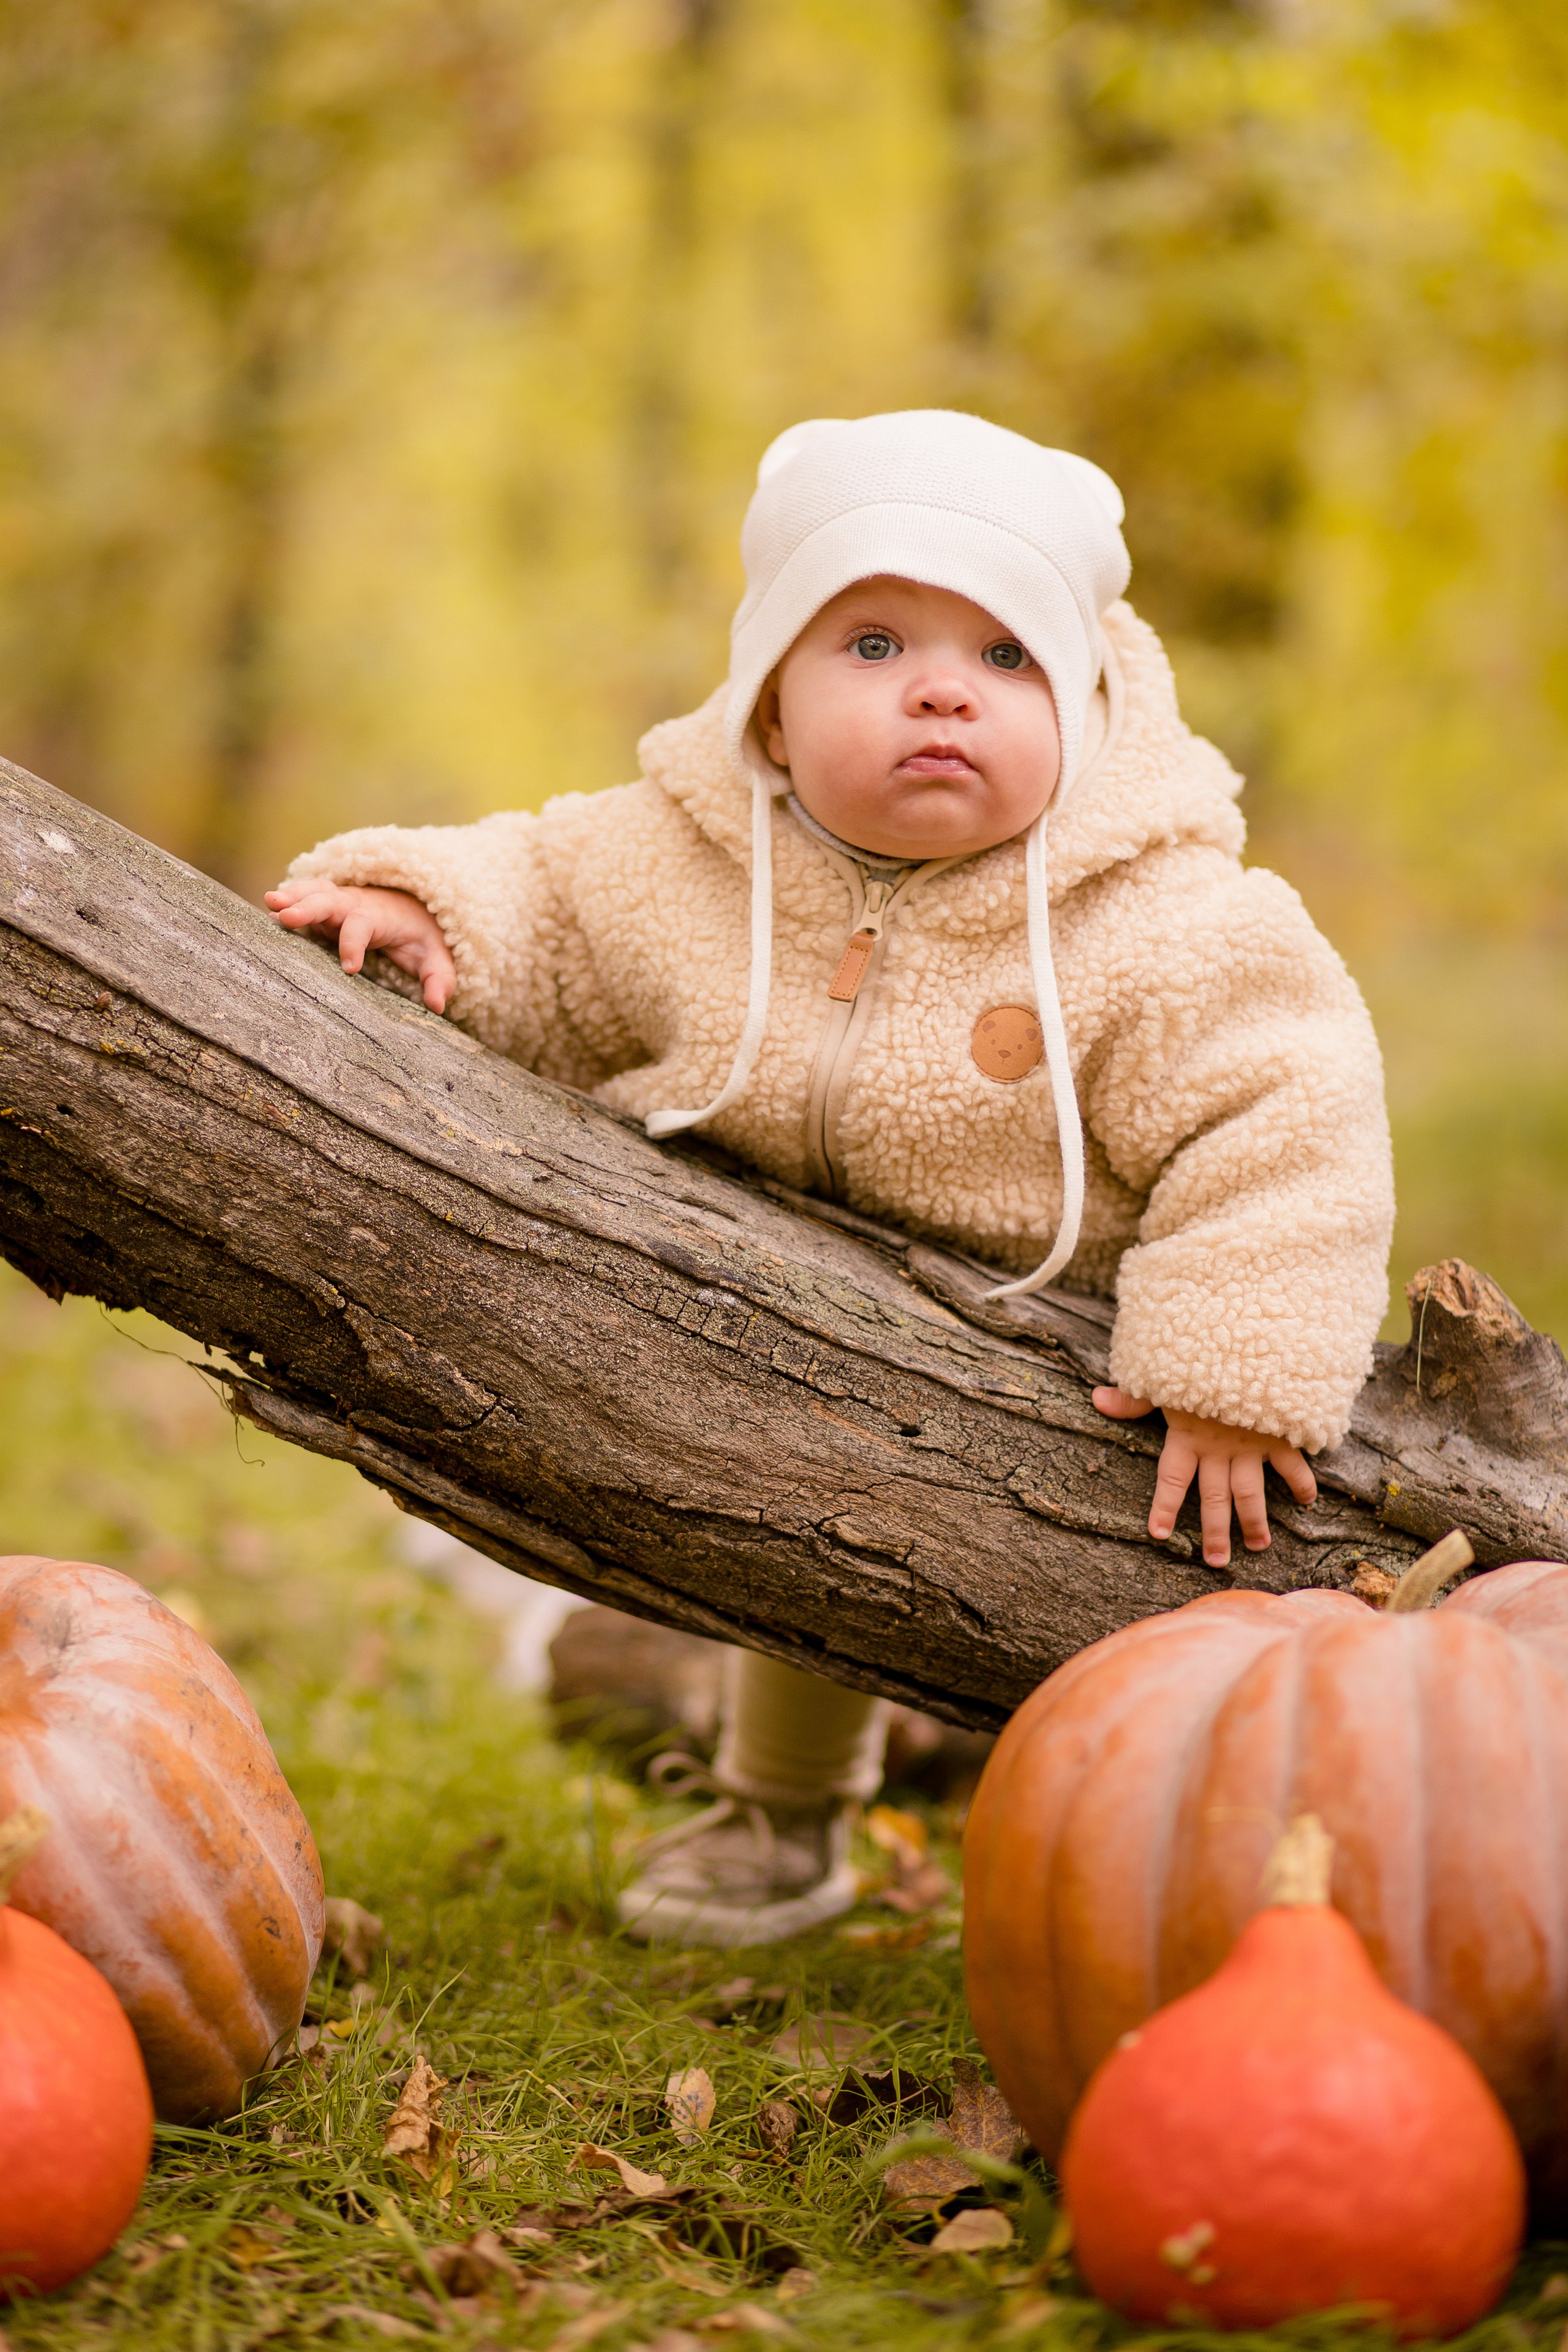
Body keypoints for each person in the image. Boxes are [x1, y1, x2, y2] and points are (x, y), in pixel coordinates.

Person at [268, 410, 1393, 1946]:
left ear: (1085, 703)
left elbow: (1289, 1113)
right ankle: (783, 1820)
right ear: (773, 712)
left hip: (1074, 1372)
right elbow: (545, 897)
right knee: (798, 1582)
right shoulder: (686, 861)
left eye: (1005, 658)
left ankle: (1146, 1847)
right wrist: (429, 906)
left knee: (1134, 1640)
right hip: (805, 1346)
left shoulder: (1176, 926)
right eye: (870, 643)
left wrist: (1230, 1364)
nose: (940, 686)